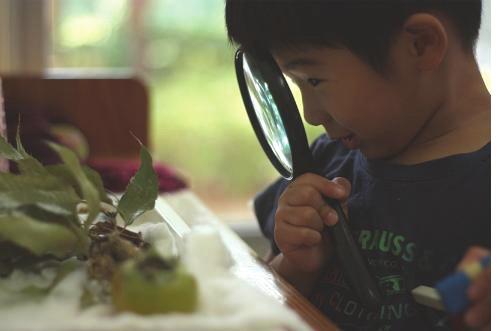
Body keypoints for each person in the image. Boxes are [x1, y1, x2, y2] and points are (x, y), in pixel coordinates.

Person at [225, 1, 490, 330]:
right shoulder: (324, 163)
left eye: (314, 80)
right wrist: (297, 266)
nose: (310, 115)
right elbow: (262, 309)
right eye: (296, 84)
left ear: (420, 44)